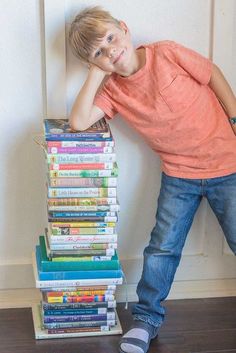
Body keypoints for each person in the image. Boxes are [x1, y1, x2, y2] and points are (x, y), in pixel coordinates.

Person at [68, 6, 236, 353]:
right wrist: (96, 74)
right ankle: (146, 319)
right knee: (162, 249)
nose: (110, 51)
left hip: (227, 165)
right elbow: (79, 122)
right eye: (99, 53)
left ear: (125, 29)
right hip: (179, 177)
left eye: (111, 39)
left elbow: (212, 74)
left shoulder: (167, 53)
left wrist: (235, 117)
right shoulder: (113, 91)